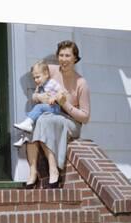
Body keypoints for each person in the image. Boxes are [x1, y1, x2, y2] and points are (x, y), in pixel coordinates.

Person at [24, 40, 91, 189]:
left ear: (75, 58)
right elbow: (35, 91)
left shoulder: (81, 83)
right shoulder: (51, 70)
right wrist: (38, 97)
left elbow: (85, 117)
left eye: (68, 56)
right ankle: (33, 172)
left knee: (43, 120)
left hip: (70, 121)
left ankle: (53, 169)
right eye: (61, 55)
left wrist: (64, 104)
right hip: (50, 113)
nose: (64, 59)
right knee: (30, 124)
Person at [13, 60, 64, 147]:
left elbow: (61, 92)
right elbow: (35, 97)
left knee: (38, 108)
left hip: (54, 107)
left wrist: (54, 97)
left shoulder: (51, 83)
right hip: (47, 107)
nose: (36, 80)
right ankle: (25, 138)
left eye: (38, 77)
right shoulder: (41, 86)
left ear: (46, 74)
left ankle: (28, 125)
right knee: (32, 115)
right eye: (34, 78)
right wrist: (37, 93)